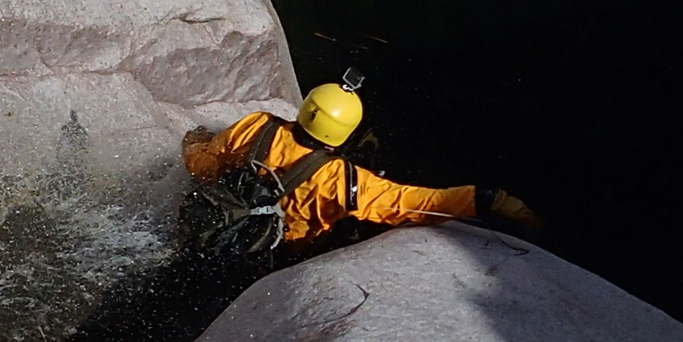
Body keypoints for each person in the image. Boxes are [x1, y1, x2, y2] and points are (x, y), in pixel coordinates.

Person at [182, 73, 540, 256]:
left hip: (221, 226)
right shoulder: (343, 181)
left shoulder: (256, 125)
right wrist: (491, 199)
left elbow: (205, 167)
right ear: (345, 131)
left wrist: (192, 143)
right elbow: (416, 204)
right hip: (274, 255)